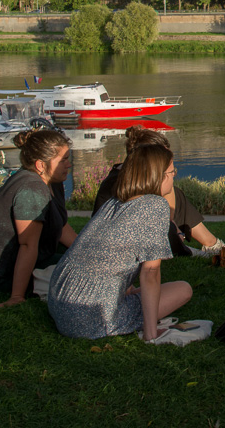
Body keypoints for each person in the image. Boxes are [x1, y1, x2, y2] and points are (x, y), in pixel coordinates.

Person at [48, 143, 193, 340]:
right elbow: (150, 272)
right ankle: (142, 326)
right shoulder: (155, 205)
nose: (174, 175)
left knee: (133, 289)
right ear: (159, 176)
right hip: (88, 317)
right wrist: (151, 333)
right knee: (183, 289)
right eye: (172, 171)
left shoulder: (114, 202)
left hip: (60, 302)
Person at [0, 129, 78, 308]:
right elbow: (27, 244)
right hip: (1, 278)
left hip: (35, 260)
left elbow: (61, 227)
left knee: (88, 263)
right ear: (40, 165)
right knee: (86, 273)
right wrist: (17, 296)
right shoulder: (32, 189)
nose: (68, 165)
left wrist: (86, 250)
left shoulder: (53, 183)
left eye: (68, 158)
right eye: (63, 160)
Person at [92, 125, 225, 257]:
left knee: (175, 194)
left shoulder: (139, 176)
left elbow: (168, 192)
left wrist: (172, 222)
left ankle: (212, 244)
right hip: (117, 242)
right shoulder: (121, 184)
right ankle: (191, 250)